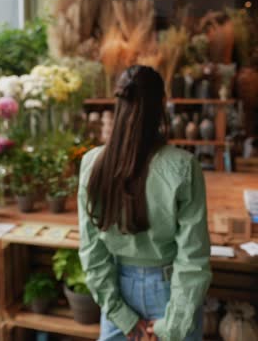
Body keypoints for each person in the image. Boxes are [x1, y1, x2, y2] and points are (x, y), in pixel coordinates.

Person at [78, 65, 211, 341]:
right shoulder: (184, 166)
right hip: (172, 293)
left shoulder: (92, 164)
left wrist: (119, 314)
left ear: (119, 103)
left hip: (117, 288)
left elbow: (91, 251)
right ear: (163, 103)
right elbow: (193, 258)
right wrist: (173, 325)